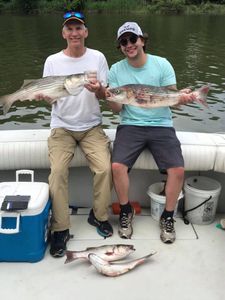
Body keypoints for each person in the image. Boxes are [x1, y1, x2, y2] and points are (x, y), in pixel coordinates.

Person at [107, 22, 195, 243]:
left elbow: (172, 98)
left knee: (177, 170)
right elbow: (117, 109)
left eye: (132, 39)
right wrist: (111, 97)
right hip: (130, 124)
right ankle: (126, 211)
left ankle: (167, 216)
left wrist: (182, 98)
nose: (129, 45)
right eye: (123, 42)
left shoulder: (162, 64)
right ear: (120, 47)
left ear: (142, 40)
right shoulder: (116, 70)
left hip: (161, 125)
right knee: (117, 166)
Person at [41, 11, 113, 257]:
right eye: (69, 29)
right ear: (63, 34)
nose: (74, 33)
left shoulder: (98, 57)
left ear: (85, 32)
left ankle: (99, 216)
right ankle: (60, 228)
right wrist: (44, 97)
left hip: (92, 126)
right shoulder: (52, 61)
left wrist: (98, 90)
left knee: (105, 168)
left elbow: (106, 95)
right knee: (58, 172)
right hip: (61, 126)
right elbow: (49, 99)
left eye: (78, 28)